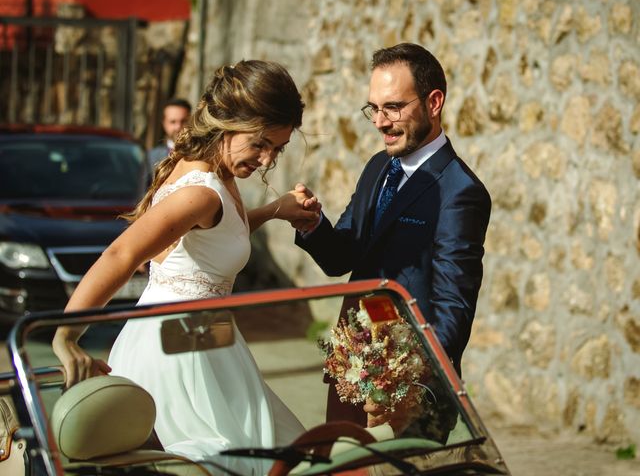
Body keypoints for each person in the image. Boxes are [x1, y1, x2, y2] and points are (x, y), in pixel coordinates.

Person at [52, 60, 320, 474]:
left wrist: (275, 209)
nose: (267, 160)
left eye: (278, 149)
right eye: (261, 143)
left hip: (210, 338)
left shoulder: (215, 172)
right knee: (237, 459)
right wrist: (66, 335)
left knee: (275, 455)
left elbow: (220, 237)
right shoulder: (200, 191)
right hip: (180, 348)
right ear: (229, 123)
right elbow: (121, 255)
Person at [293, 43, 491, 430]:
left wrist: (407, 381)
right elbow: (342, 258)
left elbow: (453, 309)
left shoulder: (461, 192)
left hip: (406, 391)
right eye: (374, 108)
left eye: (394, 108)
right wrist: (311, 224)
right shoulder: (378, 167)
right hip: (349, 373)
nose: (380, 122)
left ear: (434, 102)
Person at [148, 98, 192, 168]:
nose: (178, 127)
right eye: (173, 122)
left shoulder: (202, 153)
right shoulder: (152, 157)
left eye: (183, 121)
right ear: (164, 123)